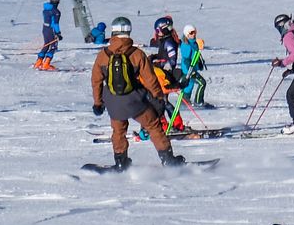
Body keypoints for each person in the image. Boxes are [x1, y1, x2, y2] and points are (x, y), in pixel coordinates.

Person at [90, 16, 183, 168]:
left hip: (113, 102)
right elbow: (150, 79)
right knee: (153, 125)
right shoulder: (137, 54)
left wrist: (98, 103)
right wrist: (159, 97)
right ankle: (168, 159)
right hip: (135, 100)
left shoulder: (103, 55)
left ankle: (121, 162)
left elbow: (96, 81)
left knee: (118, 130)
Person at [178, 25, 210, 107]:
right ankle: (198, 101)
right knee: (202, 83)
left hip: (193, 69)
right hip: (188, 70)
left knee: (190, 84)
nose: (194, 34)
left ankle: (185, 100)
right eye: (191, 33)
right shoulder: (186, 45)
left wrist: (199, 63)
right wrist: (189, 69)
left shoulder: (193, 43)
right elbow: (186, 59)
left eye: (195, 32)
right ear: (187, 34)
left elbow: (196, 55)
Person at [35, 0, 63, 71]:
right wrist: (58, 33)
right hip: (51, 29)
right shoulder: (56, 12)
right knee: (53, 46)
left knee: (46, 45)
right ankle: (46, 64)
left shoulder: (46, 9)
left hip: (45, 28)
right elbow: (55, 23)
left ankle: (38, 62)